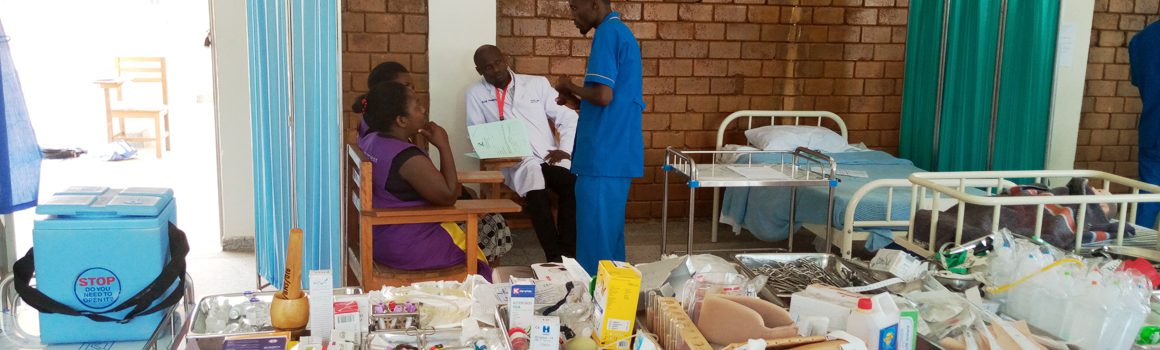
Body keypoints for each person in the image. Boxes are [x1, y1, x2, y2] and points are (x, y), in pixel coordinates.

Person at [356, 81, 492, 278]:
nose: (423, 108)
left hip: (380, 236)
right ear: (401, 120)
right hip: (409, 244)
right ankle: (483, 286)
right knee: (492, 225)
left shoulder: (373, 138)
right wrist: (443, 145)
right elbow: (447, 197)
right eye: (417, 105)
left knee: (484, 218)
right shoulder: (409, 159)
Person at [466, 44, 579, 263]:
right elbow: (476, 133)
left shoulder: (537, 84)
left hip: (549, 156)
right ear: (480, 71)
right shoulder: (475, 94)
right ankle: (554, 256)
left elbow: (568, 117)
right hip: (515, 161)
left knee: (572, 184)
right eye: (488, 67)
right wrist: (499, 147)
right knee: (535, 185)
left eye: (498, 62)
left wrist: (563, 149)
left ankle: (567, 251)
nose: (496, 70)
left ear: (505, 59)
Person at [555, 0, 644, 273]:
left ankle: (594, 309)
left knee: (595, 246)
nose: (572, 16)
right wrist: (576, 100)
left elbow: (603, 96)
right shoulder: (621, 33)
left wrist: (568, 84)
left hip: (603, 156)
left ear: (593, 5)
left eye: (574, 7)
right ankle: (615, 308)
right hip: (616, 153)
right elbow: (611, 100)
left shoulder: (606, 33)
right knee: (609, 243)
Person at [1131, 21, 1160, 229]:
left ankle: (1138, 255)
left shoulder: (1143, 39)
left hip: (1154, 127)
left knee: (1148, 195)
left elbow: (1140, 82)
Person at [354, 62, 413, 137]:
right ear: (385, 89)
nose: (412, 91)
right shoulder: (378, 129)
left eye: (413, 87)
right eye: (406, 85)